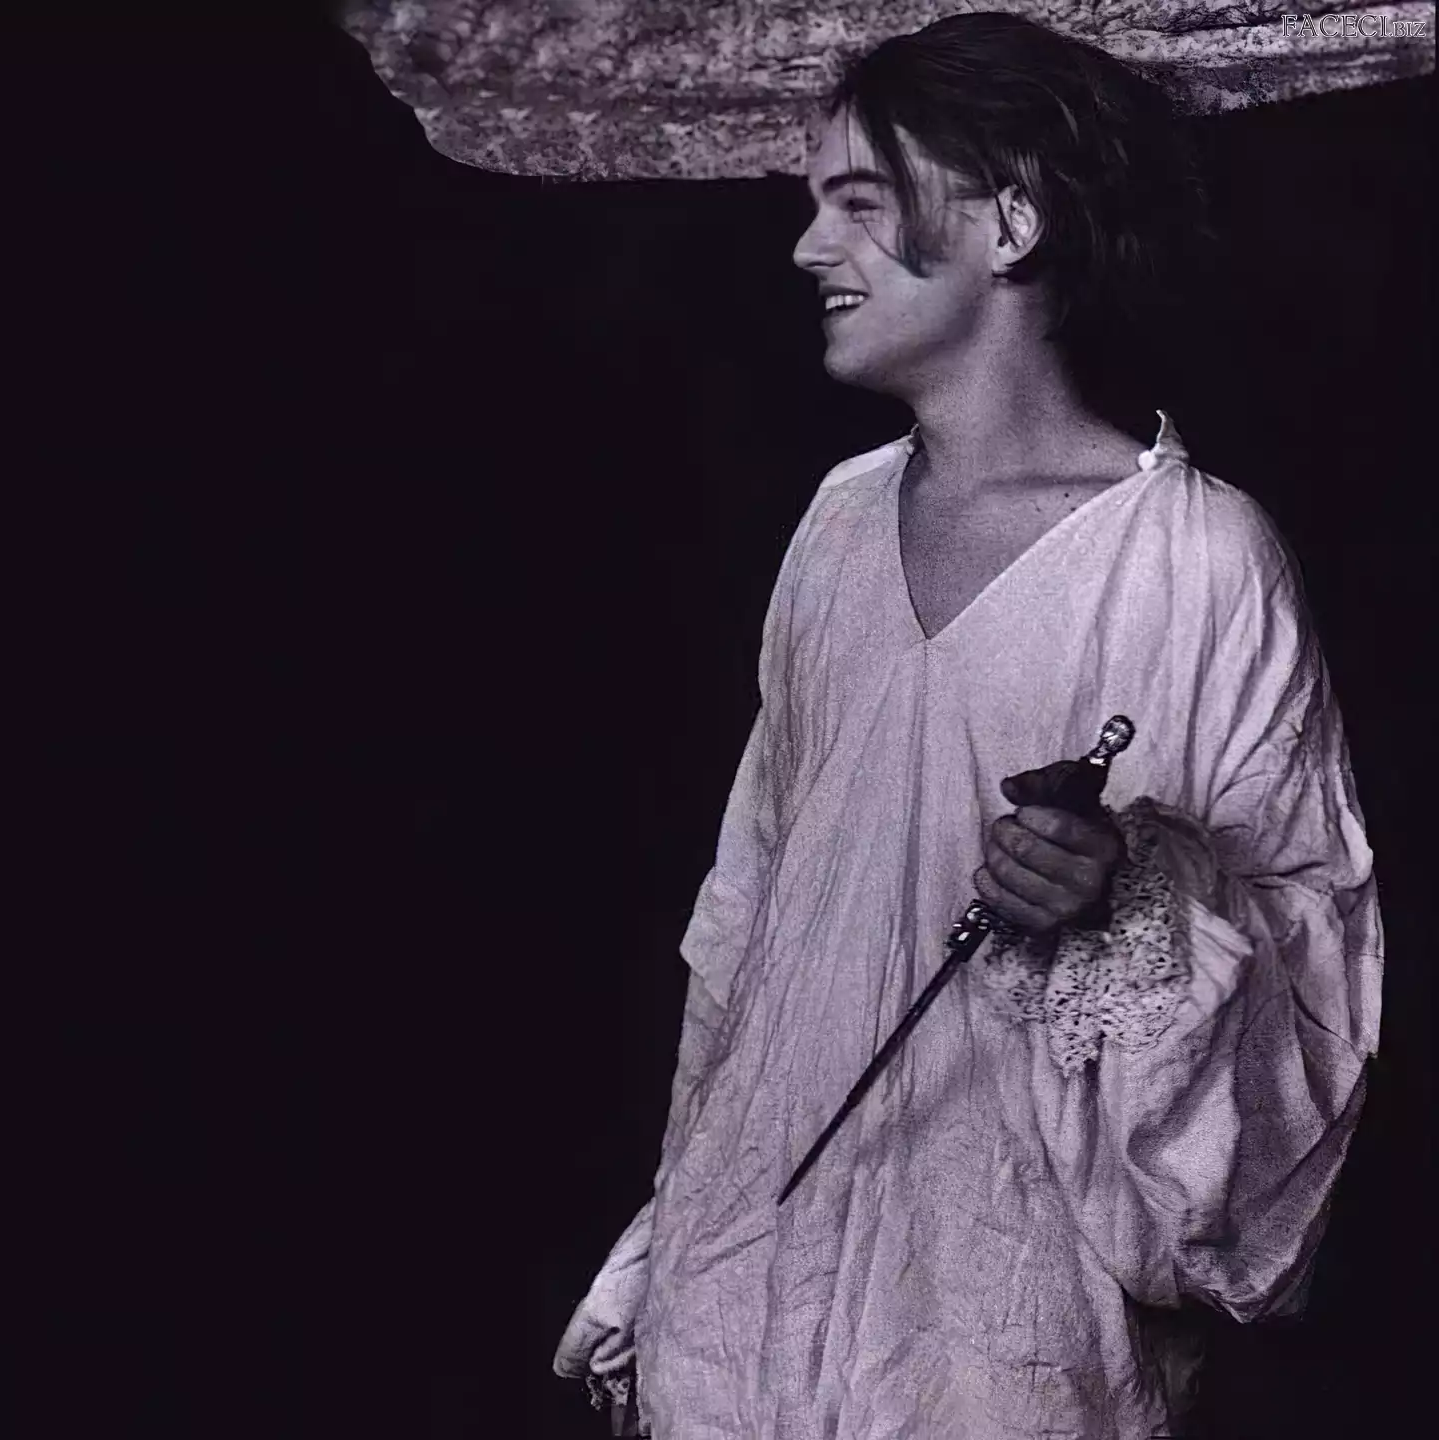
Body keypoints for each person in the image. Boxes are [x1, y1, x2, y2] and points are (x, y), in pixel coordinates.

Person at [553, 13, 1382, 1438]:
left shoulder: (1195, 559)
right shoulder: (835, 524)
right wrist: (669, 1246)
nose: (808, 249)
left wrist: (1133, 895)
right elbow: (747, 919)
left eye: (858, 203)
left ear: (1011, 223)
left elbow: (1321, 962)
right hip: (738, 1323)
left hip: (1001, 1350)